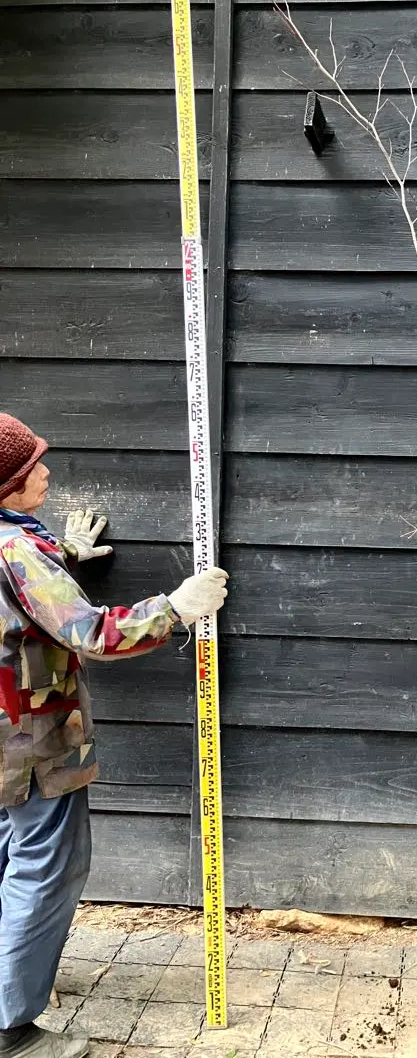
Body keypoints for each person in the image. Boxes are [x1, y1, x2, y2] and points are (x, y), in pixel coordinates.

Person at [0, 413, 228, 1058]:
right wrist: (175, 608)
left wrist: (63, 554)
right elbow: (89, 634)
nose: (45, 472)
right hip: (30, 741)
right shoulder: (15, 549)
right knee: (45, 867)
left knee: (4, 859)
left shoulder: (18, 540)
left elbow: (17, 594)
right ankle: (11, 1028)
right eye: (30, 468)